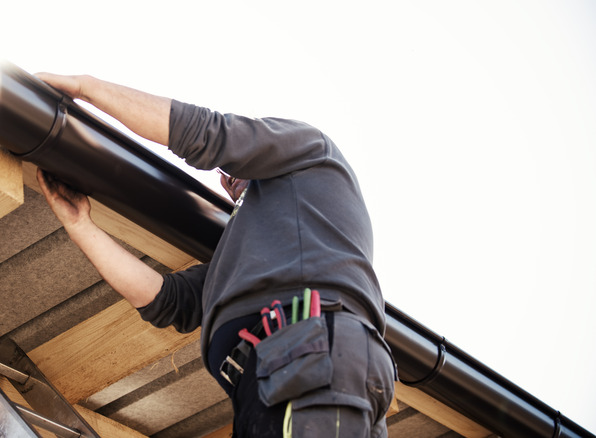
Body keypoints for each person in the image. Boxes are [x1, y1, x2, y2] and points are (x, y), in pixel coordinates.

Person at [35, 73, 396, 437]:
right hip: (279, 373)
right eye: (225, 175)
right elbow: (168, 301)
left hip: (306, 354)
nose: (228, 176)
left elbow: (208, 134)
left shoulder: (311, 150)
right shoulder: (247, 258)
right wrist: (81, 225)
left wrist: (86, 87)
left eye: (235, 167)